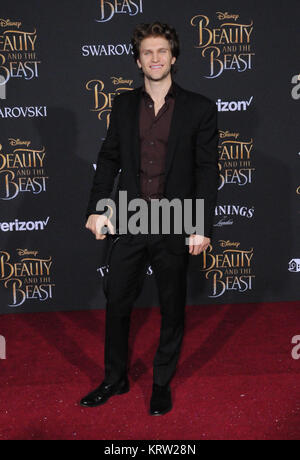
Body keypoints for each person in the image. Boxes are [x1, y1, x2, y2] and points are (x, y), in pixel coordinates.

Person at [80, 22, 219, 416]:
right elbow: (108, 160)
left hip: (177, 219)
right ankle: (114, 378)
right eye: (147, 53)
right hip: (132, 216)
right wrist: (96, 208)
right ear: (138, 60)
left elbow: (207, 171)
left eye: (161, 52)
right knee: (117, 301)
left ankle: (161, 382)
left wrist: (201, 224)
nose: (155, 59)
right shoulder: (123, 105)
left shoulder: (199, 108)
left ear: (173, 57)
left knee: (172, 305)